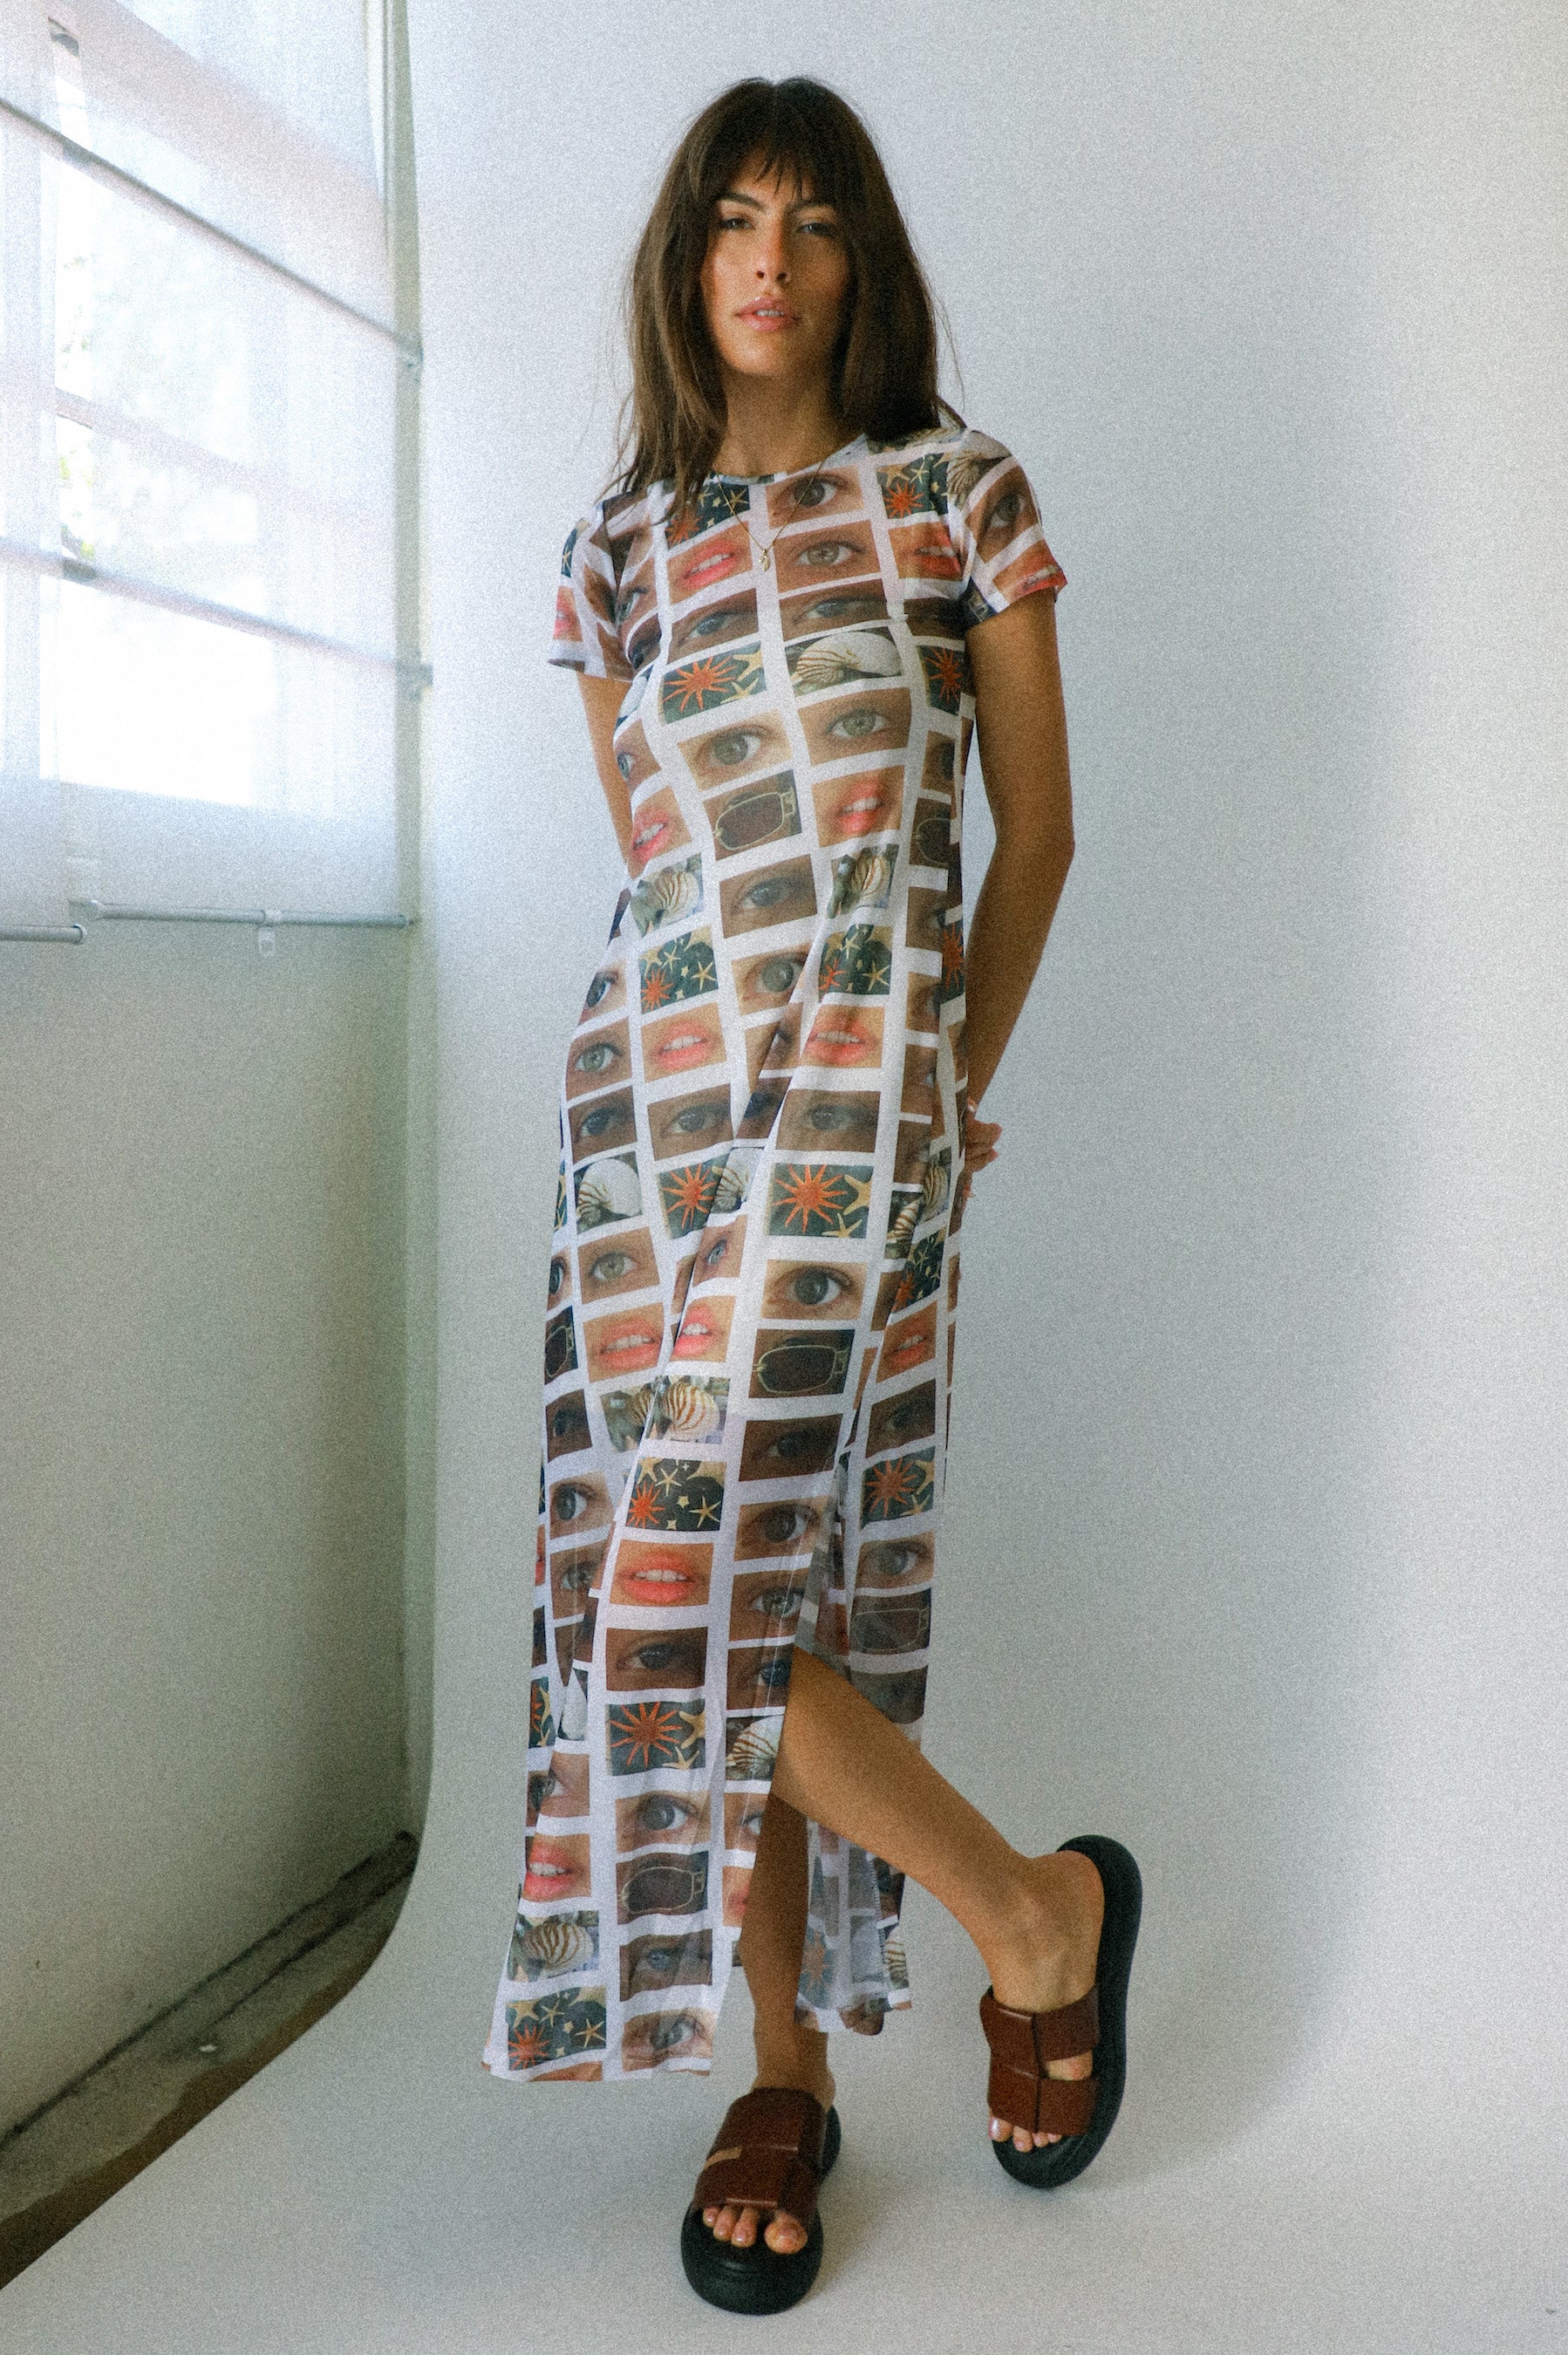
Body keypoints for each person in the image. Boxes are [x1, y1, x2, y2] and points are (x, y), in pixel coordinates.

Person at [481, 74, 1142, 2315]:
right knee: (709, 1595)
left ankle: (1035, 1918)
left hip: (862, 1127)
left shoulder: (960, 495)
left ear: (865, 265)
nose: (769, 257)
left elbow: (1035, 837)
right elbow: (665, 878)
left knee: (679, 1604)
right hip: (641, 1144)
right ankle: (783, 2074)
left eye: (815, 219)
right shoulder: (619, 551)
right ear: (687, 264)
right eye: (731, 218)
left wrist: (946, 1092)